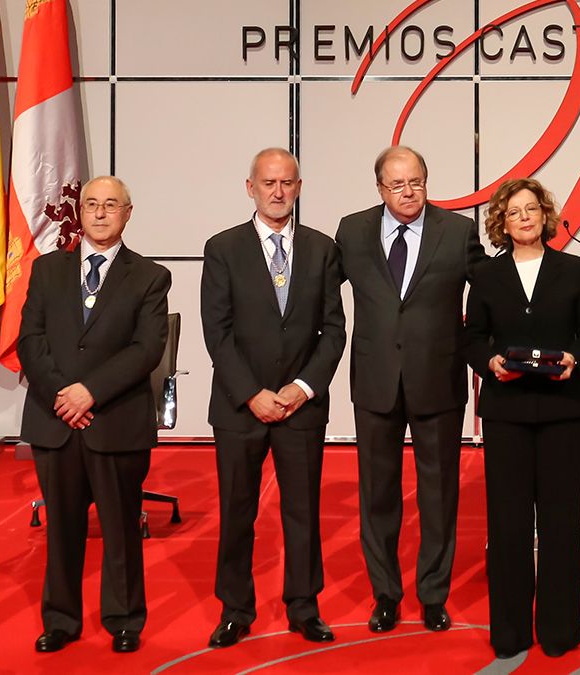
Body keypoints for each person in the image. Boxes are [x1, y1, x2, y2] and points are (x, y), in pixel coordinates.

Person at [17, 176, 171, 655]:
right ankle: (60, 619)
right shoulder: (47, 270)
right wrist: (63, 394)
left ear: (128, 213)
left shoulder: (149, 276)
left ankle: (124, 619)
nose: (100, 213)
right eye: (91, 204)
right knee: (61, 527)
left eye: (111, 205)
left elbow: (147, 348)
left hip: (116, 420)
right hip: (54, 419)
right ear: (78, 212)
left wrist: (90, 392)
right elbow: (30, 341)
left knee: (121, 527)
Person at [336, 145, 486, 633]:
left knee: (439, 494)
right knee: (377, 494)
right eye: (397, 184)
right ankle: (385, 594)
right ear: (379, 187)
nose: (408, 192)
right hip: (375, 380)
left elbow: (489, 295)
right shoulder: (352, 231)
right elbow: (317, 292)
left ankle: (433, 594)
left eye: (416, 181)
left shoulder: (458, 231)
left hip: (438, 381)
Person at [200, 148, 346, 648]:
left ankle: (304, 606)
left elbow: (333, 332)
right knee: (238, 511)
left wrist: (303, 388)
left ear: (299, 188)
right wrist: (252, 394)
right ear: (251, 188)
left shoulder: (323, 249)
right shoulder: (222, 248)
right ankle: (235, 609)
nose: (278, 191)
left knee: (302, 512)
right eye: (268, 183)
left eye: (287, 182)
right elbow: (216, 333)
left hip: (301, 407)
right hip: (241, 408)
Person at [463, 178, 580, 659]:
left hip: (563, 410)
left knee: (561, 524)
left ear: (545, 216)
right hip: (507, 412)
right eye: (513, 211)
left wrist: (575, 359)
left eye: (531, 209)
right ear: (501, 222)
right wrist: (490, 363)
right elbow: (473, 337)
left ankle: (560, 631)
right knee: (508, 524)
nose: (523, 217)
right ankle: (511, 631)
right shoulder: (486, 276)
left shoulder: (574, 269)